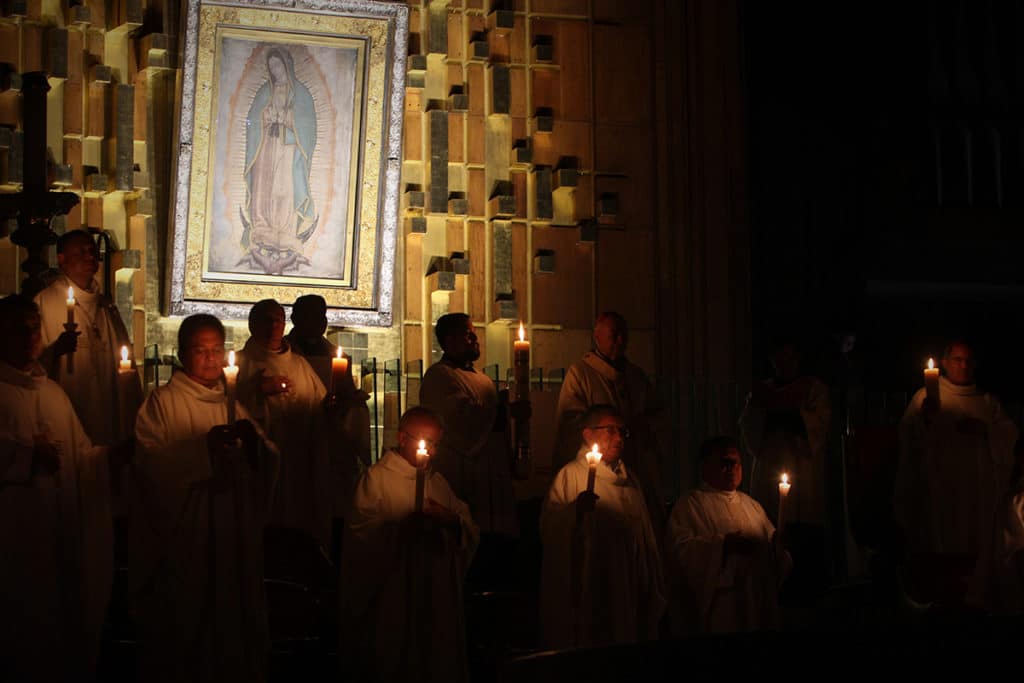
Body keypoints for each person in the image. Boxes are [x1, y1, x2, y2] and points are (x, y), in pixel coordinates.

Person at [130, 314, 279, 683]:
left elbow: (270, 462)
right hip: (188, 541)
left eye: (217, 350)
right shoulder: (162, 404)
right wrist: (203, 451)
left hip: (232, 538)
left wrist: (257, 448)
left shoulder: (232, 406)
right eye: (201, 350)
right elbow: (150, 466)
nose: (212, 359)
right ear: (182, 354)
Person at [0, 295, 114, 681]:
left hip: (55, 536)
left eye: (35, 329)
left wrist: (113, 457)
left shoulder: (52, 394)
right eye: (21, 329)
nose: (32, 337)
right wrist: (26, 455)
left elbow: (81, 458)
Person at [339, 407, 479, 683]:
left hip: (437, 600)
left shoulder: (438, 483)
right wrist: (401, 530)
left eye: (436, 444)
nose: (431, 452)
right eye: (424, 442)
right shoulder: (376, 480)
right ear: (402, 438)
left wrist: (452, 522)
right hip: (394, 600)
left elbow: (468, 527)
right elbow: (361, 540)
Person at [896, 340, 1017, 601]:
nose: (963, 365)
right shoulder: (926, 398)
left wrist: (986, 431)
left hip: (977, 496)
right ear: (945, 363)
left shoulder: (988, 403)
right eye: (957, 360)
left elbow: (1010, 438)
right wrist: (925, 420)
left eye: (968, 361)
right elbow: (907, 439)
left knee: (976, 550)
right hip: (940, 491)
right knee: (940, 544)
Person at [540, 404, 665, 649]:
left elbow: (645, 536)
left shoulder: (631, 481)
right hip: (591, 586)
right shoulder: (571, 476)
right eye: (610, 430)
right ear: (588, 434)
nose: (619, 438)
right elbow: (549, 527)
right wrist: (575, 511)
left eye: (622, 431)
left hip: (629, 587)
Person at [665, 436, 789, 634]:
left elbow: (774, 549)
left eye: (736, 462)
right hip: (722, 604)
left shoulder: (752, 505)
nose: (732, 468)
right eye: (725, 462)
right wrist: (723, 546)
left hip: (756, 598)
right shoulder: (690, 504)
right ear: (705, 467)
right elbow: (682, 552)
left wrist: (777, 546)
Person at [237, 299, 334, 548]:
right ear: (251, 325)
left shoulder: (300, 365)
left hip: (299, 461)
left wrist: (337, 407)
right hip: (257, 465)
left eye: (278, 320)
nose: (274, 327)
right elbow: (224, 409)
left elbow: (320, 410)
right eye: (266, 320)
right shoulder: (239, 364)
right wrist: (256, 392)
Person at [739, 338, 830, 600]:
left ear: (798, 360)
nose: (785, 364)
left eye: (790, 359)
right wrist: (770, 414)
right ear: (773, 362)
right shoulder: (761, 392)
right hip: (770, 464)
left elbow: (821, 424)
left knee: (803, 532)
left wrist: (797, 417)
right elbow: (749, 427)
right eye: (780, 359)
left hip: (803, 469)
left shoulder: (813, 389)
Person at [552, 312, 663, 525]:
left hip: (634, 470)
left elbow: (657, 416)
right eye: (615, 335)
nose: (621, 341)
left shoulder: (636, 377)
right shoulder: (580, 375)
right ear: (598, 337)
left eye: (624, 335)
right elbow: (570, 424)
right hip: (596, 471)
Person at [33, 229, 142, 447]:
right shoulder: (45, 303)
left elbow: (124, 359)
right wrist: (56, 351)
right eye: (82, 252)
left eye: (92, 251)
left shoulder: (106, 306)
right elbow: (30, 364)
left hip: (107, 410)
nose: (90, 257)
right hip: (67, 405)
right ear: (61, 259)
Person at [419, 312, 518, 538]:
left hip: (491, 472)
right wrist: (505, 410)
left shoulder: (483, 379)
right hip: (460, 472)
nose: (475, 338)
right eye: (467, 333)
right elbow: (457, 419)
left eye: (474, 332)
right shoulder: (439, 376)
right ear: (449, 339)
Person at [285, 293, 371, 506]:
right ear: (295, 318)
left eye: (321, 316)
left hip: (331, 438)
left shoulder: (337, 357)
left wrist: (349, 401)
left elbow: (346, 392)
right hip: (294, 435)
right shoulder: (282, 353)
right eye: (310, 316)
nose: (318, 322)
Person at [241, 46, 318, 275]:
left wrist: (287, 118)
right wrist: (265, 117)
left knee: (285, 188)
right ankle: (262, 226)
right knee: (264, 187)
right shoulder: (266, 91)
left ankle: (285, 232)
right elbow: (252, 119)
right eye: (271, 66)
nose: (275, 70)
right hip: (266, 146)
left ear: (286, 65)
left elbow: (308, 125)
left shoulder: (301, 93)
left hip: (288, 148)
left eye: (278, 65)